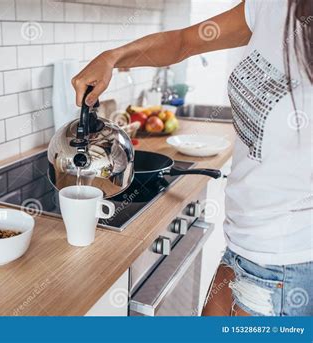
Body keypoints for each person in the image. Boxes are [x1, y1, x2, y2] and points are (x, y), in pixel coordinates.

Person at [71, 0, 312, 316]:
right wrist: (112, 58)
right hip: (241, 245)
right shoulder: (272, 5)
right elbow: (183, 41)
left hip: (286, 263)